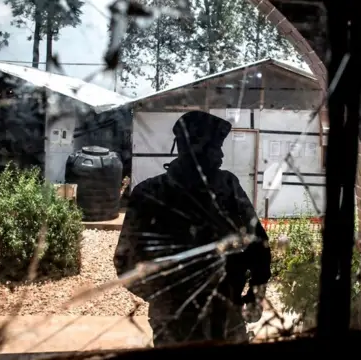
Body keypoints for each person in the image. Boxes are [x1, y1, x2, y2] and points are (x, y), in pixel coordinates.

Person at [114, 111, 271, 346]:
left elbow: (258, 244)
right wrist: (167, 298)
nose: (220, 155)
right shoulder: (151, 193)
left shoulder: (225, 186)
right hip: (187, 319)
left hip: (216, 314)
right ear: (192, 149)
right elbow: (125, 261)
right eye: (214, 148)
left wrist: (255, 294)